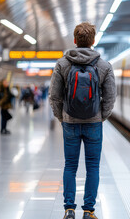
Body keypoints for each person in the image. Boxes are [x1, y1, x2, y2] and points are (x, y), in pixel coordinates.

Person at [49, 22, 116, 219]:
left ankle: (69, 210)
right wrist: (101, 116)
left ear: (75, 40)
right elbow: (110, 97)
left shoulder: (62, 64)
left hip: (70, 122)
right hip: (94, 123)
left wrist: (62, 117)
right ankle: (89, 211)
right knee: (92, 166)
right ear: (93, 41)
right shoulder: (104, 66)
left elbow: (54, 96)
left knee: (70, 166)